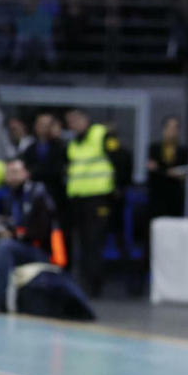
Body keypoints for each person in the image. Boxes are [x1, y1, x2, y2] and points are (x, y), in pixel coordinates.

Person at [64, 107, 122, 298]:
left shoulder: (101, 134)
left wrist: (117, 188)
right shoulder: (74, 143)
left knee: (94, 241)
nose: (73, 125)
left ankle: (94, 285)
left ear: (85, 119)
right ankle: (84, 282)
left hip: (98, 197)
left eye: (75, 120)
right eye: (69, 122)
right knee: (82, 242)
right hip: (78, 198)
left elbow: (121, 159)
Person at [0, 157, 57, 260]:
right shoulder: (8, 197)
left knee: (5, 246)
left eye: (15, 172)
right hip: (16, 245)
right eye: (8, 173)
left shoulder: (38, 195)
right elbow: (9, 221)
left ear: (27, 172)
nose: (11, 177)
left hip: (39, 249)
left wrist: (14, 234)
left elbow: (41, 233)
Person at [145, 114, 188, 221]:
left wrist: (163, 170)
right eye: (170, 127)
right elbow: (152, 169)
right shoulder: (154, 148)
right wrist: (167, 172)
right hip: (157, 193)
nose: (172, 131)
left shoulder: (183, 150)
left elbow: (185, 173)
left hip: (175, 195)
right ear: (164, 129)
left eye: (175, 128)